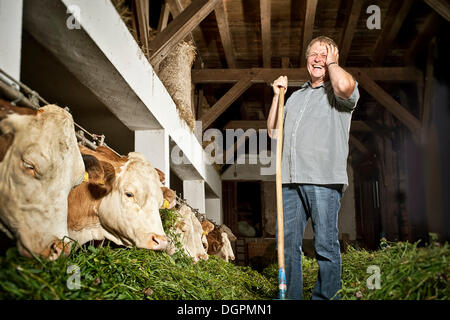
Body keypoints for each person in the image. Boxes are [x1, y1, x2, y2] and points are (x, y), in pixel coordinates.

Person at [267, 36, 360, 300]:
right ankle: (291, 296)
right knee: (285, 246)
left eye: (325, 54)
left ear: (334, 60)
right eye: (314, 54)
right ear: (306, 59)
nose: (318, 58)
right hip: (289, 181)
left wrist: (332, 64)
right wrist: (277, 97)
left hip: (324, 179)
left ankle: (327, 297)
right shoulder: (295, 98)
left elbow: (343, 84)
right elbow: (274, 132)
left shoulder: (340, 91)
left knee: (325, 245)